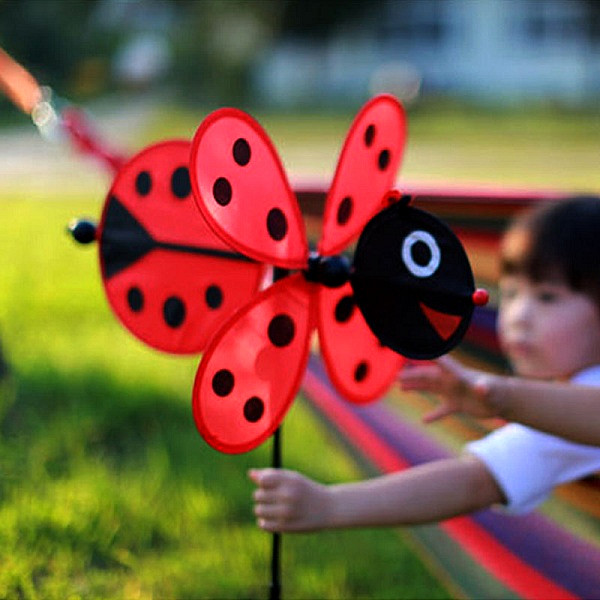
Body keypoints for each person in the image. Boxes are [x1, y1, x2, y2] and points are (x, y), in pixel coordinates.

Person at [249, 196, 600, 532]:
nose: (518, 317)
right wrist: (329, 504)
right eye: (510, 294)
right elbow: (472, 481)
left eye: (548, 297)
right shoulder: (556, 425)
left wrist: (505, 397)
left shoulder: (564, 412)